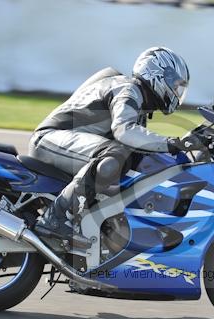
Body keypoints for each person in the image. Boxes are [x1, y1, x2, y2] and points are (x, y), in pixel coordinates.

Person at [29, 47, 202, 244]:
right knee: (116, 155)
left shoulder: (138, 106)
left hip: (71, 146)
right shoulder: (128, 89)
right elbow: (124, 131)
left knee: (132, 162)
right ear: (156, 73)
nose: (176, 91)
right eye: (174, 84)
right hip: (50, 139)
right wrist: (172, 143)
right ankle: (54, 218)